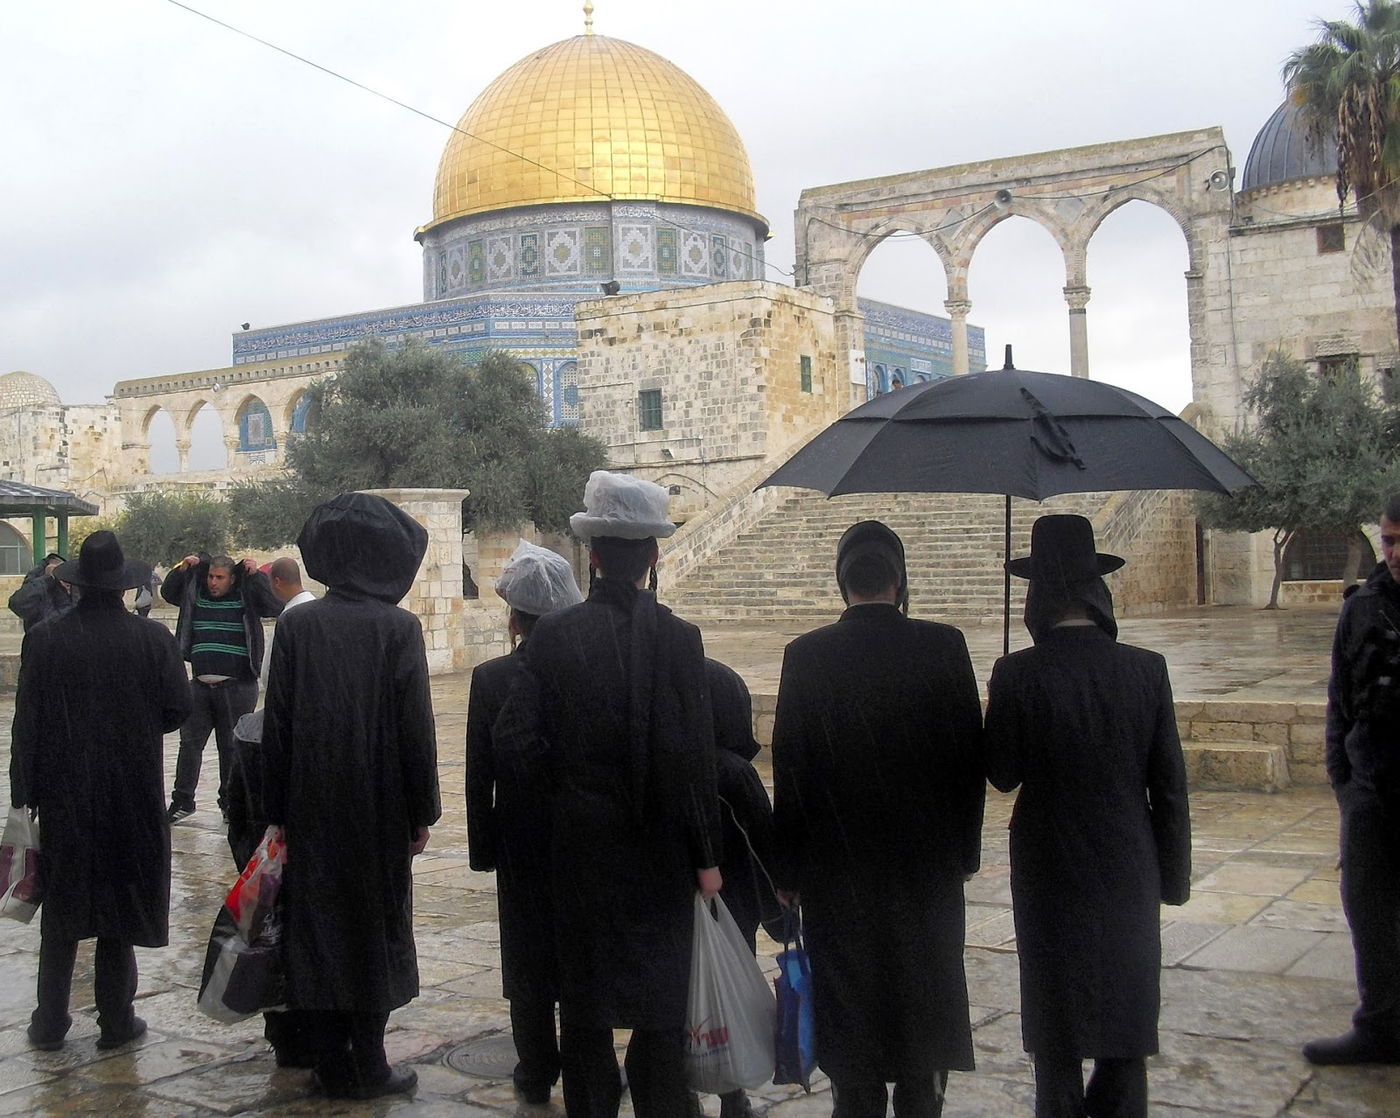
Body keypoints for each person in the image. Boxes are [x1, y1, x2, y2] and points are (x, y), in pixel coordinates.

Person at [496, 470, 722, 1118]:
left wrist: (564, 794)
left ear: (593, 555)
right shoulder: (681, 642)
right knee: (660, 1010)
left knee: (587, 1010)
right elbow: (693, 759)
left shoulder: (556, 637)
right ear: (653, 556)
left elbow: (515, 740)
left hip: (581, 852)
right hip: (661, 853)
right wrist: (707, 858)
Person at [770, 520, 984, 1118]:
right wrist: (965, 855)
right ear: (900, 579)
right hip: (926, 878)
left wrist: (786, 870)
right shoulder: (945, 647)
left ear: (843, 583)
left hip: (840, 881)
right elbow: (970, 764)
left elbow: (793, 772)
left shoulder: (806, 657)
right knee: (922, 1018)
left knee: (853, 1027)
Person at [983, 514, 1191, 1118]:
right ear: (1098, 590)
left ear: (1035, 595)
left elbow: (1002, 773)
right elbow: (1169, 787)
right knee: (1124, 1025)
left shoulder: (1018, 673)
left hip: (1048, 870)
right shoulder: (1146, 670)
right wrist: (1171, 880)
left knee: (1057, 1032)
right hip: (1129, 865)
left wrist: (1006, 696)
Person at [262, 492, 441, 1101]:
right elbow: (415, 727)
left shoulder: (298, 626)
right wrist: (423, 811)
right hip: (378, 808)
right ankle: (369, 1060)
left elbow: (277, 725)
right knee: (372, 924)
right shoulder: (398, 629)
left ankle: (330, 1060)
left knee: (317, 926)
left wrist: (276, 812)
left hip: (310, 807)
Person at [9, 531, 191, 1051]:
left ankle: (50, 1022)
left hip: (64, 793)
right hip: (131, 791)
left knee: (62, 908)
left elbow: (29, 723)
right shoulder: (152, 640)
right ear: (122, 586)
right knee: (119, 906)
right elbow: (177, 709)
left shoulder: (44, 638)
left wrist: (24, 793)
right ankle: (116, 1019)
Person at [466, 538, 584, 1105]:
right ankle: (586, 1062)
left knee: (528, 954)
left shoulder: (492, 679)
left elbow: (477, 771)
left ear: (516, 618)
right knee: (579, 946)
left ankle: (535, 1068)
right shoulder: (591, 671)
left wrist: (483, 847)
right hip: (583, 834)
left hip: (520, 836)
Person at [1303, 494, 1400, 1066]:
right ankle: (1381, 1023)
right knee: (1368, 907)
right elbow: (1341, 700)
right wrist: (1344, 783)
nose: (1393, 553)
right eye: (1387, 540)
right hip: (1371, 788)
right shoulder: (1362, 607)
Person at [225, 554, 319, 1069]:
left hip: (272, 854)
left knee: (273, 934)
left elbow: (237, 813)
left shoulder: (255, 735)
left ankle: (286, 1036)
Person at [695, 656, 781, 1118]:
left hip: (677, 909)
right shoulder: (733, 773)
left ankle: (681, 1085)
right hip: (736, 908)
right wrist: (779, 905)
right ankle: (732, 1095)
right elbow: (762, 841)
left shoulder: (671, 764)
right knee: (726, 1001)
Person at [162, 552, 282, 823]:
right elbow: (169, 593)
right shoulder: (195, 593)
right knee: (189, 746)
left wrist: (258, 578)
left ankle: (229, 803)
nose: (213, 582)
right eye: (210, 576)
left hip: (237, 686)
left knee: (230, 748)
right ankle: (182, 801)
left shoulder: (246, 596)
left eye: (219, 577)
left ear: (232, 579)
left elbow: (274, 605)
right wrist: (182, 569)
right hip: (200, 686)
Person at [8, 552, 74, 632]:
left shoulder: (74, 585)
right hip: (44, 638)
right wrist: (48, 579)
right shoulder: (40, 583)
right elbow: (17, 603)